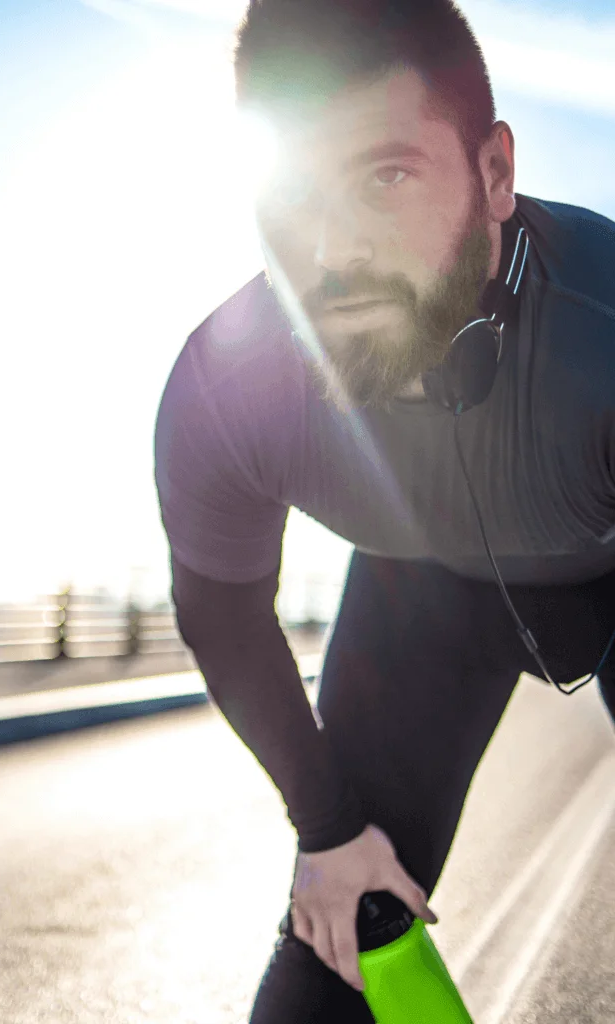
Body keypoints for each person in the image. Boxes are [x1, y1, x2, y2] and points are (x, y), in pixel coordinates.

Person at [151, 0, 615, 1020]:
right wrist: (325, 827)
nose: (329, 254)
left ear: (494, 174)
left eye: (384, 176)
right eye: (292, 193)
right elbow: (220, 613)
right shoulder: (224, 390)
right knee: (338, 943)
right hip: (427, 597)